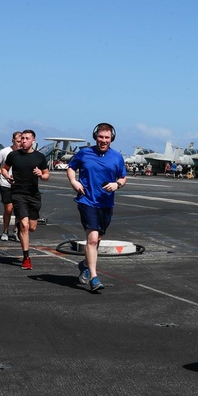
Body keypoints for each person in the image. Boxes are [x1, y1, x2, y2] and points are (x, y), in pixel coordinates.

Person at [66, 123, 127, 294]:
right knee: (92, 239)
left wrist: (117, 185)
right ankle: (94, 277)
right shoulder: (85, 153)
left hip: (106, 204)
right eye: (101, 137)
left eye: (107, 137)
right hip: (87, 200)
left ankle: (85, 265)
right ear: (95, 137)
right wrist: (74, 181)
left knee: (97, 239)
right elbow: (71, 167)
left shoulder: (117, 157)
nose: (103, 140)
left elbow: (123, 177)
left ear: (112, 139)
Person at [2, 129, 50, 269]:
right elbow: (4, 169)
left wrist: (41, 174)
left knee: (32, 227)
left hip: (34, 195)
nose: (23, 141)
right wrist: (7, 176)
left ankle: (19, 225)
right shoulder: (13, 155)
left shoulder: (39, 157)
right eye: (22, 138)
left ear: (33, 140)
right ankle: (26, 258)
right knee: (25, 226)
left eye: (27, 138)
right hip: (18, 194)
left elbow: (47, 176)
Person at [0, 131, 22, 241]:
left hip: (20, 185)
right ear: (13, 140)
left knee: (19, 209)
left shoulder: (24, 153)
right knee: (9, 208)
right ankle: (5, 230)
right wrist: (0, 171)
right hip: (6, 183)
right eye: (17, 141)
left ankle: (16, 231)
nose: (20, 144)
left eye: (21, 141)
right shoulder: (5, 152)